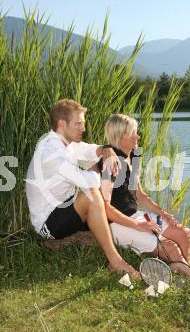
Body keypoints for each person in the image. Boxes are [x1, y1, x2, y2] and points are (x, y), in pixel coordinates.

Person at [25, 99, 140, 278]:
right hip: (47, 222)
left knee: (92, 187)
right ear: (62, 124)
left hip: (65, 206)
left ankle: (116, 231)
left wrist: (106, 150)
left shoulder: (65, 143)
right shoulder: (51, 152)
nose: (83, 129)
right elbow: (90, 183)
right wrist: (95, 167)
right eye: (78, 123)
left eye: (83, 123)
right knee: (91, 194)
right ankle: (115, 262)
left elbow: (88, 149)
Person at [99, 113, 190, 280]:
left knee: (183, 233)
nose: (138, 136)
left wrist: (163, 213)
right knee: (171, 247)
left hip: (137, 216)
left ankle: (185, 273)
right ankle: (189, 280)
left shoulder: (135, 155)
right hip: (118, 223)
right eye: (133, 133)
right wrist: (137, 225)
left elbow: (140, 195)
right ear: (121, 136)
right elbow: (105, 208)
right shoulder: (110, 163)